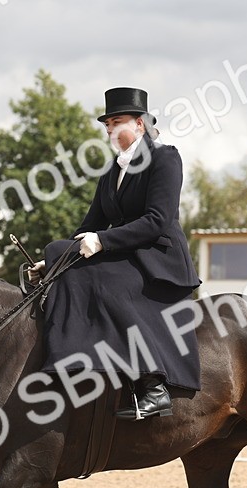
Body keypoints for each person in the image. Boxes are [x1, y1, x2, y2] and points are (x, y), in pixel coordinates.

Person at [38, 87, 201, 420]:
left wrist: (103, 242)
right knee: (55, 250)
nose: (110, 130)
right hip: (126, 254)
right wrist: (54, 262)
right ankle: (73, 362)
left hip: (158, 258)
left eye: (117, 122)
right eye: (107, 124)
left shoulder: (165, 159)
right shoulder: (112, 171)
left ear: (140, 124)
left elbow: (157, 220)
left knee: (105, 284)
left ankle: (153, 385)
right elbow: (91, 223)